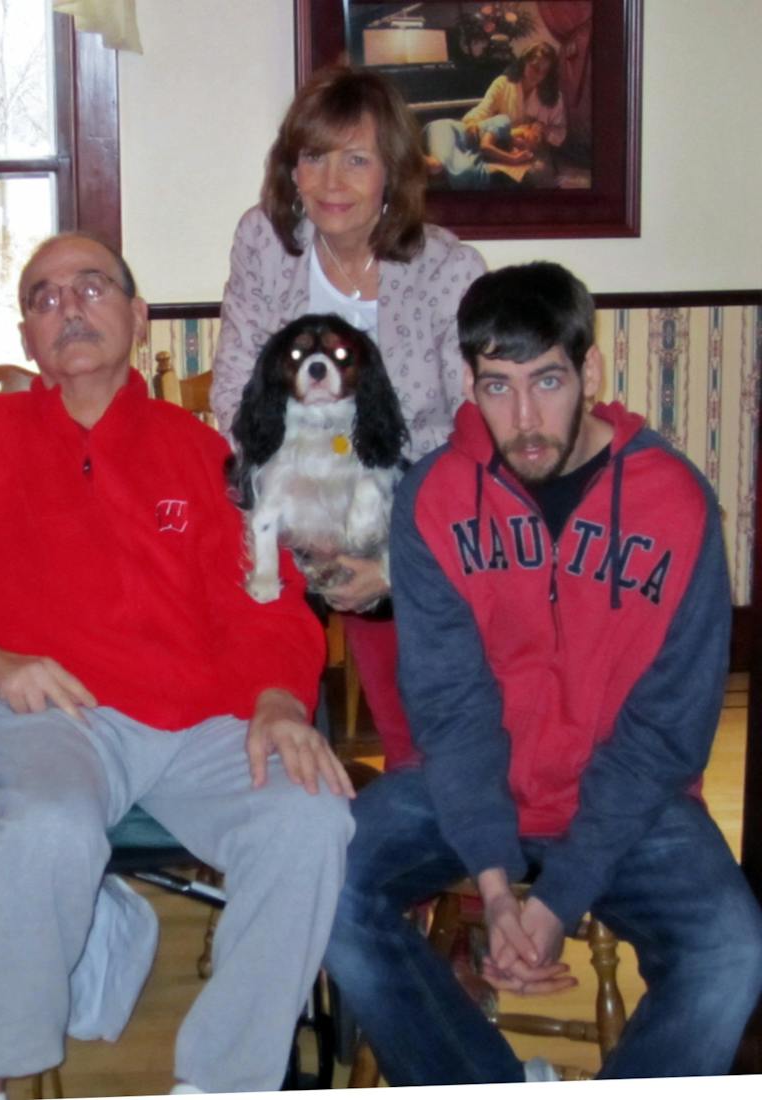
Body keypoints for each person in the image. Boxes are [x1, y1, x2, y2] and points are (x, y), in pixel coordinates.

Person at [0, 232, 355, 1098]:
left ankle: (221, 1084)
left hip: (200, 722)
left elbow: (264, 599)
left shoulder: (200, 453)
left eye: (91, 288)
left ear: (138, 317)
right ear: (26, 340)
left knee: (309, 822)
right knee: (47, 826)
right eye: (44, 298)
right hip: (49, 711)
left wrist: (276, 699)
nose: (69, 307)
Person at [323, 261, 762, 1084]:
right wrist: (495, 890)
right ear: (467, 380)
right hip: (473, 783)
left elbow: (666, 734)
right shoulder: (436, 500)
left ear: (590, 371)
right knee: (322, 887)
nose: (524, 418)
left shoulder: (678, 505)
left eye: (548, 380)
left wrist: (559, 901)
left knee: (733, 951)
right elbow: (450, 712)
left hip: (627, 797)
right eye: (497, 386)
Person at [211, 65, 487, 771]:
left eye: (356, 159)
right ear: (291, 170)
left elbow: (470, 434)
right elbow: (236, 391)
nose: (331, 182)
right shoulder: (264, 242)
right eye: (313, 157)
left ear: (392, 171)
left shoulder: (449, 270)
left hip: (398, 512)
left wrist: (395, 563)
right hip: (283, 498)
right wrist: (294, 532)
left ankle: (410, 849)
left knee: (411, 704)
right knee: (246, 663)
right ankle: (277, 809)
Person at [460, 42, 567, 179]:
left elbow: (561, 132)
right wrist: (472, 122)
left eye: (544, 72)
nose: (538, 74)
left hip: (534, 150)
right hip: (503, 144)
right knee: (490, 174)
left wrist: (542, 128)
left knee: (537, 173)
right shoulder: (503, 83)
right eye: (535, 67)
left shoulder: (554, 97)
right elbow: (484, 109)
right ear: (524, 62)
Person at [423, 114, 543, 190]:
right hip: (449, 132)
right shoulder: (504, 122)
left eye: (523, 145)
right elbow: (485, 146)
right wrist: (513, 159)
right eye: (523, 135)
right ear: (525, 126)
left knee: (466, 173)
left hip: (461, 151)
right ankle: (406, 153)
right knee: (436, 166)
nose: (520, 140)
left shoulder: (501, 150)